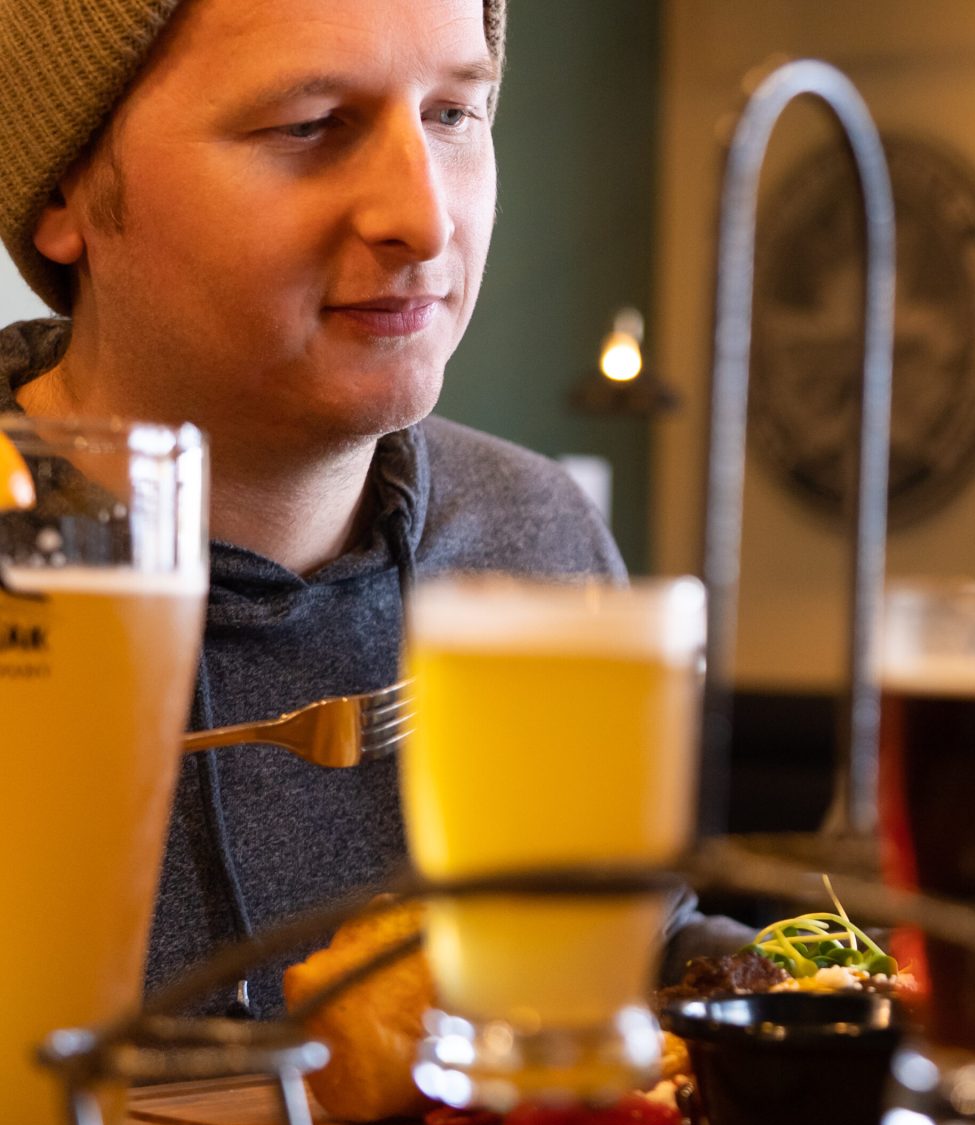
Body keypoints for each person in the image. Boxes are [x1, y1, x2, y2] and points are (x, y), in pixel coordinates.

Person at [0, 0, 745, 1018]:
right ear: (65, 191)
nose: (425, 217)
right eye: (310, 126)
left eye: (452, 115)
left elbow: (633, 954)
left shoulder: (528, 532)